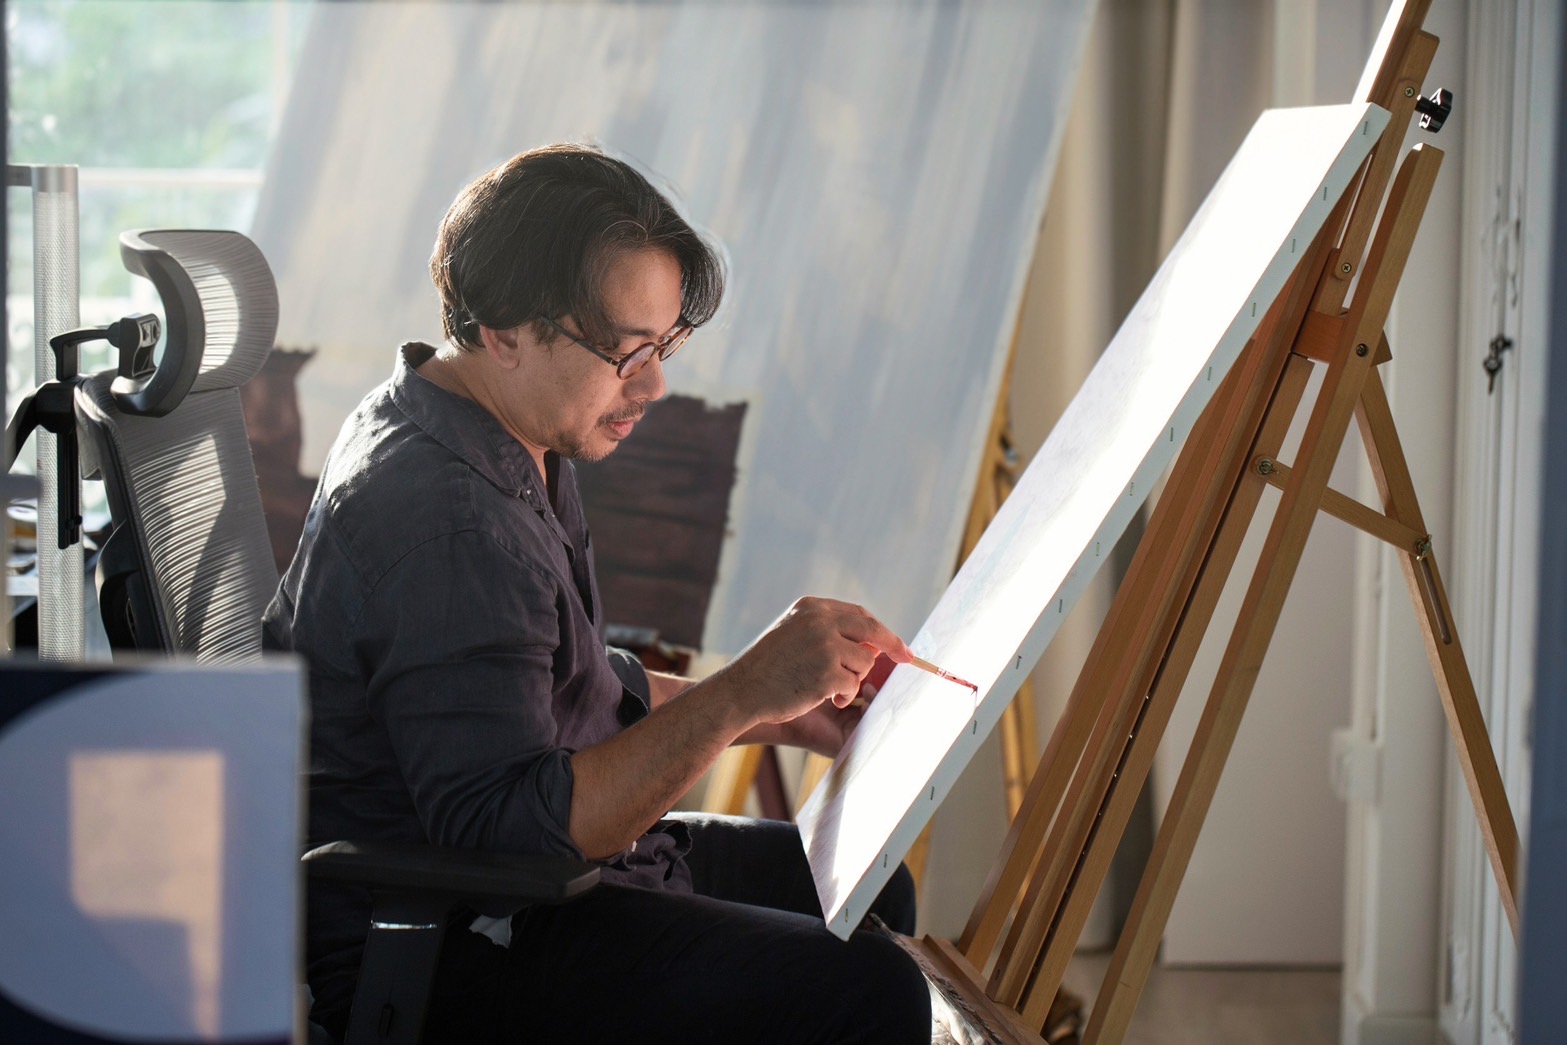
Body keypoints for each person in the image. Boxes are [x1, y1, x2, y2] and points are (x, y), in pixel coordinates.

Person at [264, 143, 932, 1042]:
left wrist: (787, 711)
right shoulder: (451, 521)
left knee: (866, 886)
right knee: (869, 990)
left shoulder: (490, 420)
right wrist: (740, 693)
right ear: (504, 329)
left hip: (527, 885)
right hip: (450, 944)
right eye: (624, 352)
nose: (653, 384)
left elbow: (568, 682)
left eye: (664, 345)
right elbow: (516, 832)